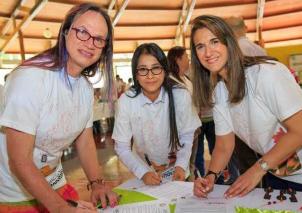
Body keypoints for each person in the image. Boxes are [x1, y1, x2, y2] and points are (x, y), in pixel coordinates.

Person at [0, 3, 118, 213]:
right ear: (65, 31)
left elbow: (85, 140)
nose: (90, 43)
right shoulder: (30, 78)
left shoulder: (84, 87)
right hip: (13, 191)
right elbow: (19, 161)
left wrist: (97, 183)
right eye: (82, 32)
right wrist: (61, 208)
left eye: (99, 39)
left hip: (53, 181)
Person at [191, 15, 302, 199]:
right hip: (277, 173)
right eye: (200, 46)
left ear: (229, 42)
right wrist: (211, 175)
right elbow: (225, 145)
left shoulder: (266, 74)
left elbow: (299, 130)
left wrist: (257, 169)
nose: (208, 52)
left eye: (214, 42)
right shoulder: (219, 91)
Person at [113, 43, 201, 185]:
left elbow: (187, 135)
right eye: (143, 69)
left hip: (177, 169)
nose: (150, 76)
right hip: (145, 171)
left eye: (156, 68)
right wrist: (143, 172)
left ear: (165, 70)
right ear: (135, 73)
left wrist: (181, 165)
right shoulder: (126, 101)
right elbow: (122, 147)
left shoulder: (180, 94)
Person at [225, 16, 267, 176]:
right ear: (246, 28)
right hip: (262, 112)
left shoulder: (232, 51)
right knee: (265, 158)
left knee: (246, 162)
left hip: (241, 113)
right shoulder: (259, 50)